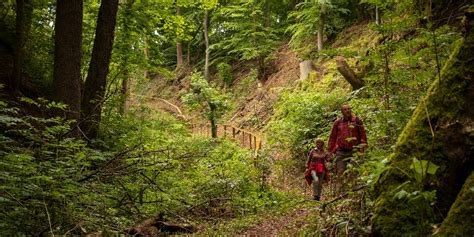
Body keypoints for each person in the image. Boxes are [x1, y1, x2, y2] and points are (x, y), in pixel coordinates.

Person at [328, 104, 367, 185]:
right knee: (340, 174)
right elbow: (332, 137)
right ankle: (343, 193)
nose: (348, 111)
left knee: (354, 173)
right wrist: (330, 151)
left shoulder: (356, 120)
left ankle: (354, 193)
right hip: (341, 151)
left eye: (349, 109)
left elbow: (363, 134)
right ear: (342, 112)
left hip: (354, 151)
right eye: (345, 109)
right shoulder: (337, 122)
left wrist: (363, 145)